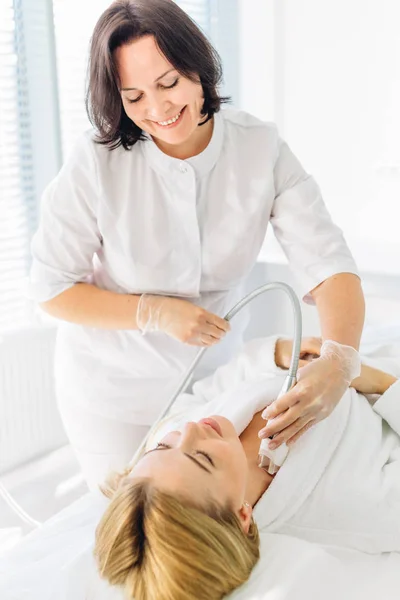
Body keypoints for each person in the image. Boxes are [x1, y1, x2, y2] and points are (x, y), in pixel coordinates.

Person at [27, 0, 365, 490]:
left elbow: (328, 261)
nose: (158, 109)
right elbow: (50, 288)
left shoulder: (259, 149)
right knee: (135, 520)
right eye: (134, 96)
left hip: (214, 384)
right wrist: (153, 311)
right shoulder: (95, 164)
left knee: (211, 514)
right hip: (110, 392)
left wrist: (340, 362)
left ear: (199, 68)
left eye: (168, 84)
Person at [94, 335, 400, 600]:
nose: (189, 430)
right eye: (203, 459)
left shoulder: (175, 444)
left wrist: (278, 354)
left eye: (164, 446)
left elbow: (208, 390)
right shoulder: (354, 504)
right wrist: (376, 381)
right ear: (241, 514)